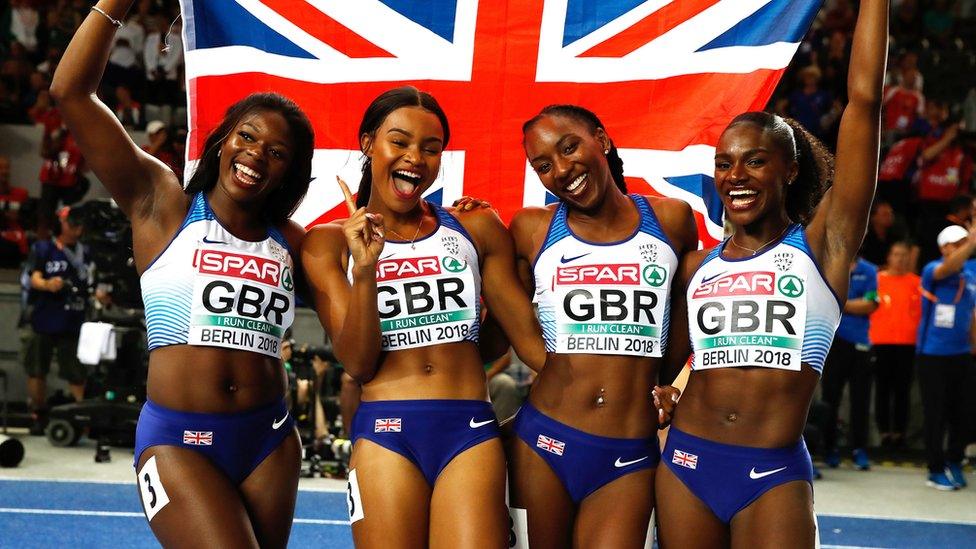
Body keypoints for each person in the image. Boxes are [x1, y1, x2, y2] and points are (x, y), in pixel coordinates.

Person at [50, 2, 314, 546]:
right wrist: (115, 5)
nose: (256, 155)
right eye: (247, 136)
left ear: (291, 170)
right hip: (177, 439)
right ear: (222, 140)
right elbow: (71, 94)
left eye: (277, 151)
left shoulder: (295, 242)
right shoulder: (161, 201)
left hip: (269, 438)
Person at [655, 1, 887, 546]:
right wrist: (662, 391)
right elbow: (674, 359)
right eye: (724, 163)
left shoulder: (823, 247)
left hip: (772, 472)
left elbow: (865, 103)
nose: (735, 175)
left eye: (755, 160)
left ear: (790, 169)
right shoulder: (696, 267)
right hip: (686, 463)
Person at [301, 86, 548, 547]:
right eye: (400, 142)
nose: (415, 157)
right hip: (385, 433)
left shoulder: (473, 226)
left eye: (431, 148)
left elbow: (497, 343)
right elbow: (357, 363)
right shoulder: (327, 243)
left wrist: (522, 268)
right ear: (368, 143)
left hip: (469, 429)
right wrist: (367, 269)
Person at [506, 104, 696, 548]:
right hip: (543, 443)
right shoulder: (531, 228)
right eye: (544, 165)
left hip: (629, 453)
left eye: (570, 147)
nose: (562, 169)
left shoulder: (671, 220)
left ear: (602, 139)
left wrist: (672, 389)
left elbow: (686, 332)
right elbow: (502, 320)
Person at [916, 225, 976, 490]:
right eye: (958, 243)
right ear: (944, 248)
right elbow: (947, 268)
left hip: (962, 353)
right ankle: (935, 468)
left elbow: (972, 314)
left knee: (964, 414)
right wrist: (972, 242)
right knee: (935, 414)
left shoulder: (971, 274)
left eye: (965, 242)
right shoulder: (933, 269)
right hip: (933, 353)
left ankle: (954, 460)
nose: (964, 246)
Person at [23, 206, 91, 435]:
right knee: (36, 368)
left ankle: (82, 416)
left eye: (78, 223)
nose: (76, 228)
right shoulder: (44, 248)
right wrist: (48, 285)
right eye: (71, 223)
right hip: (44, 317)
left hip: (73, 318)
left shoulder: (86, 251)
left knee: (76, 370)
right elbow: (33, 277)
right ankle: (38, 414)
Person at [821, 256, 879, 470]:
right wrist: (854, 303)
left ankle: (859, 449)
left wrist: (839, 302)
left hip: (860, 343)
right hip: (832, 341)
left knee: (861, 400)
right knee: (830, 398)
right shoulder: (829, 263)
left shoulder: (870, 270)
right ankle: (829, 448)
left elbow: (871, 303)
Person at [869, 241, 921, 450]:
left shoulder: (917, 282)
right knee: (882, 389)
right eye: (896, 254)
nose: (900, 259)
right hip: (881, 341)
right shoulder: (877, 281)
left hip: (908, 343)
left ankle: (899, 433)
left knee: (902, 391)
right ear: (889, 257)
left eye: (904, 255)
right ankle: (884, 433)